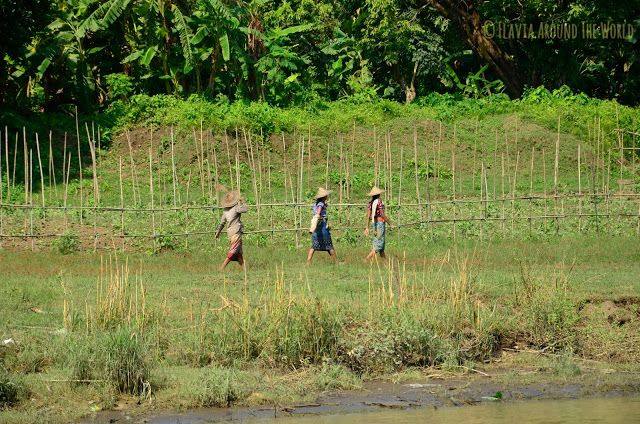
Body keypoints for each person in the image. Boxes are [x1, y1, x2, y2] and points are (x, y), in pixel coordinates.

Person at [215, 190, 249, 270]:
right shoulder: (236, 208)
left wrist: (218, 232)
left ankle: (245, 270)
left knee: (238, 253)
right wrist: (242, 201)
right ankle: (221, 268)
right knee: (233, 252)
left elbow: (222, 223)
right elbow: (245, 209)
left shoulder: (225, 211)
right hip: (236, 232)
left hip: (230, 233)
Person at [307, 187, 337, 264]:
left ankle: (308, 261)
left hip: (318, 226)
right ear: (324, 197)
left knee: (314, 246)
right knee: (329, 245)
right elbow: (318, 212)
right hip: (321, 225)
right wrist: (318, 215)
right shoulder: (320, 204)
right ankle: (335, 261)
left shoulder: (317, 203)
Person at [364, 186, 390, 260]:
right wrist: (390, 223)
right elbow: (382, 214)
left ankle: (385, 263)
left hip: (374, 224)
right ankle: (366, 260)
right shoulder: (379, 202)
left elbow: (368, 216)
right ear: (379, 194)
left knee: (381, 245)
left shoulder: (370, 203)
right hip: (380, 224)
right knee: (378, 245)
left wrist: (367, 227)